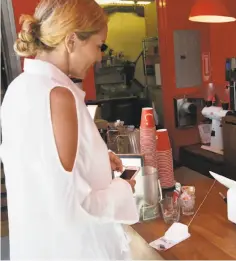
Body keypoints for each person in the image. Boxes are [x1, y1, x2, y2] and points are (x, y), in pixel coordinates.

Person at [0, 0, 139, 259]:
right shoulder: (59, 96)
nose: (99, 57)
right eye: (98, 46)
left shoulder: (17, 89)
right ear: (72, 40)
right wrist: (123, 190)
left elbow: (40, 169)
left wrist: (95, 159)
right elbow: (72, 206)